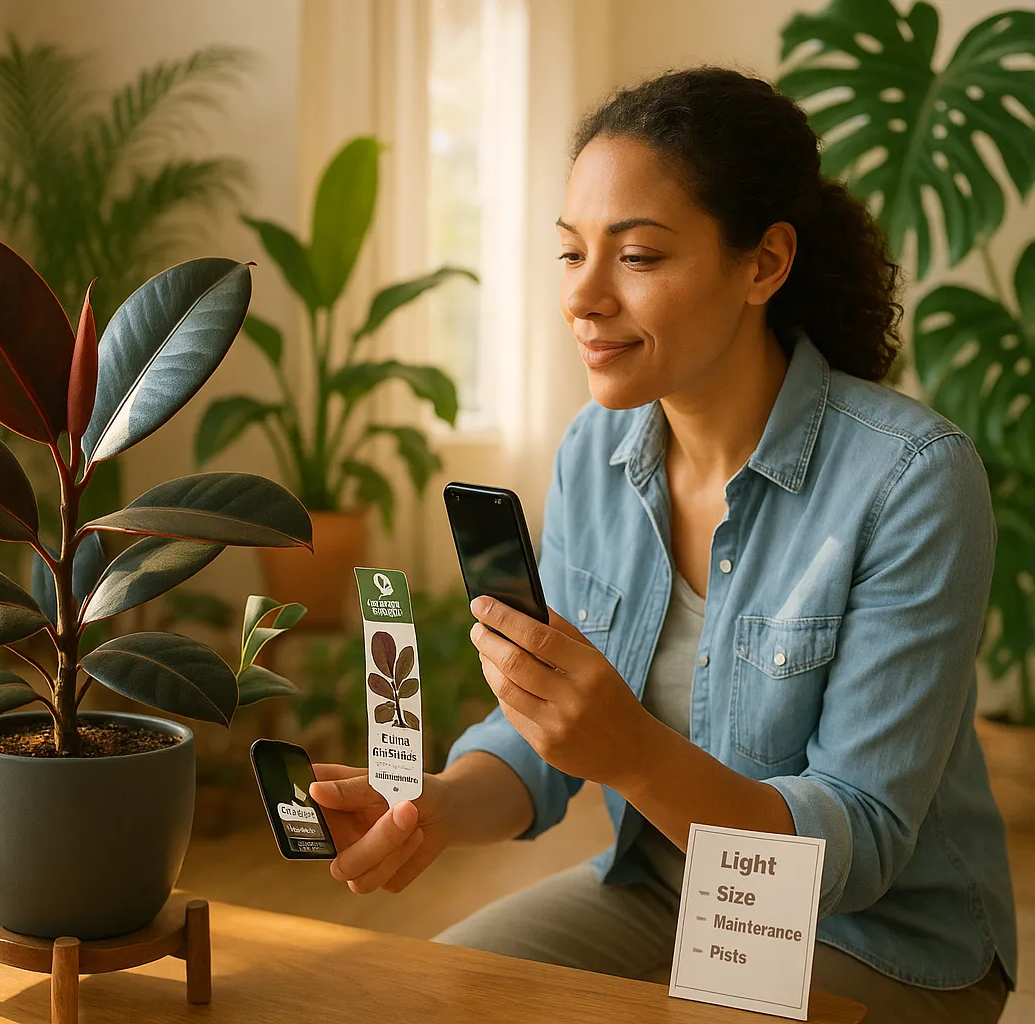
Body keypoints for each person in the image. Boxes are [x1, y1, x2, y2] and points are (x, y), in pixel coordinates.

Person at [308, 66, 1014, 1022]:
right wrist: (428, 809)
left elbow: (862, 841)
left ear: (763, 264)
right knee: (401, 1002)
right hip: (661, 893)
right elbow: (541, 741)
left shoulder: (913, 478)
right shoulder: (595, 450)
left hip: (872, 937)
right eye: (571, 253)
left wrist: (633, 754)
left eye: (637, 257)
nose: (585, 298)